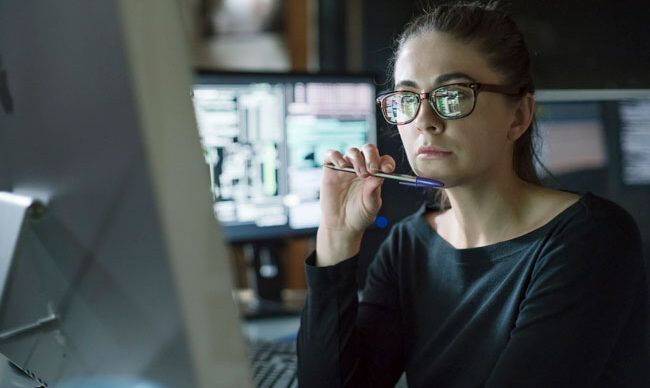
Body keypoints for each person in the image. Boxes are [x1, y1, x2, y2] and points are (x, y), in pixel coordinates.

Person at [296, 1, 648, 387]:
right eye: (407, 99)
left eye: (454, 95)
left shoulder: (592, 239)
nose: (425, 122)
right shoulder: (408, 246)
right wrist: (336, 236)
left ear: (519, 116)